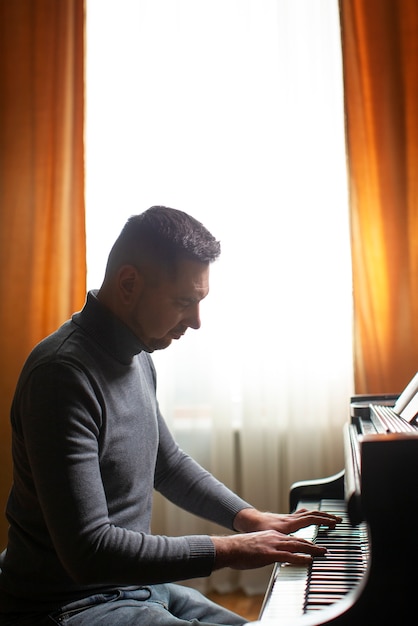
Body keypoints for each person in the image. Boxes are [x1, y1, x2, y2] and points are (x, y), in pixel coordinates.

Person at [0, 206, 341, 626]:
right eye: (184, 302)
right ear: (129, 283)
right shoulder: (61, 377)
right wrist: (230, 550)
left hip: (136, 588)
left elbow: (167, 463)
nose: (196, 322)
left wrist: (248, 518)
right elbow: (89, 552)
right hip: (66, 606)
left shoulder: (138, 353)